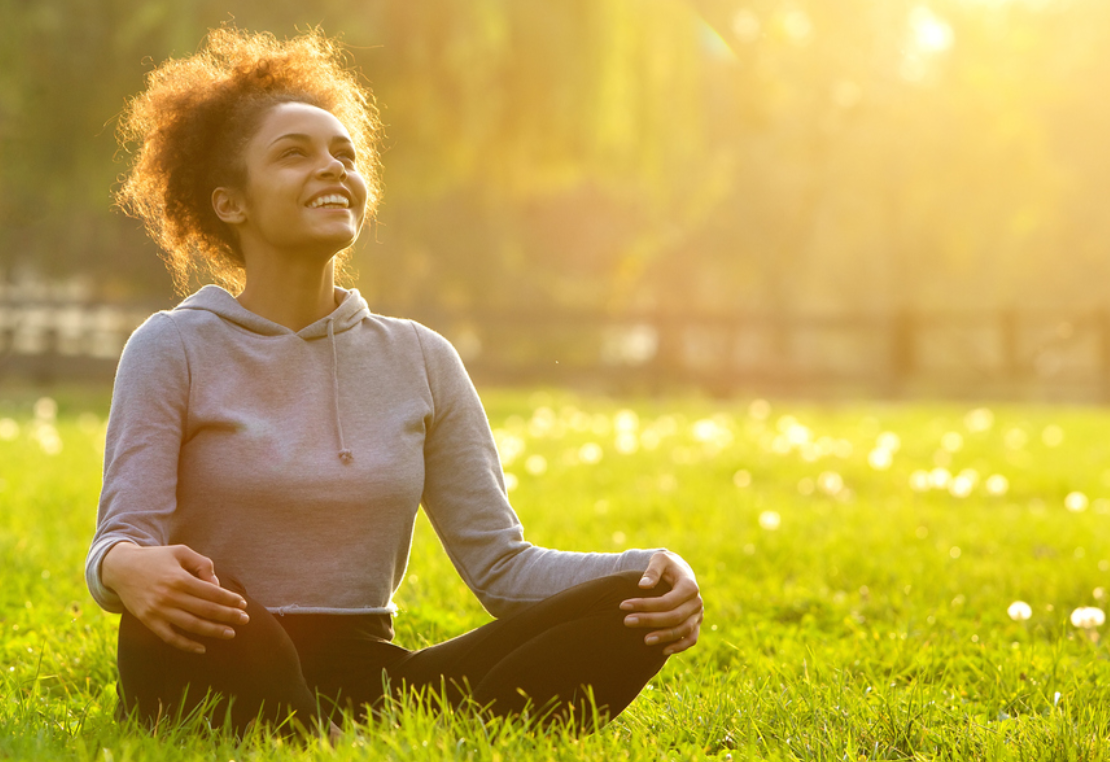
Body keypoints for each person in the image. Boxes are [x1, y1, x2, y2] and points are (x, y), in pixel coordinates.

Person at [86, 27, 703, 737]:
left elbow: (502, 567)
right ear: (232, 203)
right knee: (217, 604)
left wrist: (657, 568)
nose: (332, 168)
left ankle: (324, 732)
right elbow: (122, 541)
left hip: (368, 675)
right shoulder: (172, 346)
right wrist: (124, 570)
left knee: (633, 603)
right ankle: (321, 731)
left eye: (344, 154)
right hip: (217, 646)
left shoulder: (421, 357)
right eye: (295, 155)